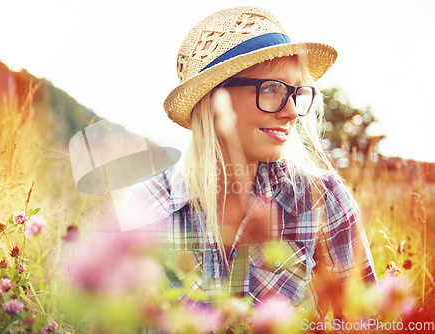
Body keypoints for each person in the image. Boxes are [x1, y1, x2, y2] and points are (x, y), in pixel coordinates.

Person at [127, 5, 377, 321]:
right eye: (271, 89)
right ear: (215, 100)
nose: (291, 111)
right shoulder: (145, 211)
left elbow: (366, 322)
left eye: (296, 92)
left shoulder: (323, 201)